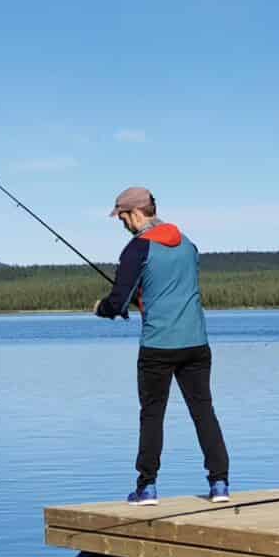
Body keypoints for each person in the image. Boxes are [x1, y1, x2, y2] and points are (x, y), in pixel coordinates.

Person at [95, 185, 230, 505]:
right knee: (203, 412)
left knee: (152, 414)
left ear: (136, 213)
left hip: (158, 346)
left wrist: (103, 308)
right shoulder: (188, 244)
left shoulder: (136, 249)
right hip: (197, 343)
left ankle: (147, 487)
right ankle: (220, 484)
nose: (123, 224)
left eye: (122, 217)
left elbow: (117, 301)